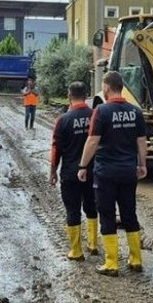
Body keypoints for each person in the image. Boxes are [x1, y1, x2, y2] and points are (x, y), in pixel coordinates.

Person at [77, 71, 147, 277]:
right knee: (129, 213)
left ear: (107, 87)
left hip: (106, 172)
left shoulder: (101, 111)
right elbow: (141, 141)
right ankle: (135, 260)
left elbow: (92, 141)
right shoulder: (136, 112)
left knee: (107, 214)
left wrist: (82, 166)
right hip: (128, 172)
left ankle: (111, 263)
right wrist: (142, 164)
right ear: (122, 87)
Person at [48, 82, 98, 261]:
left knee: (72, 210)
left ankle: (76, 251)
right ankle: (93, 245)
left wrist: (53, 171)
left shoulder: (63, 120)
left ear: (69, 96)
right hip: (92, 172)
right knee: (92, 207)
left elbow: (56, 149)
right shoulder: (94, 116)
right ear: (86, 95)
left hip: (70, 174)